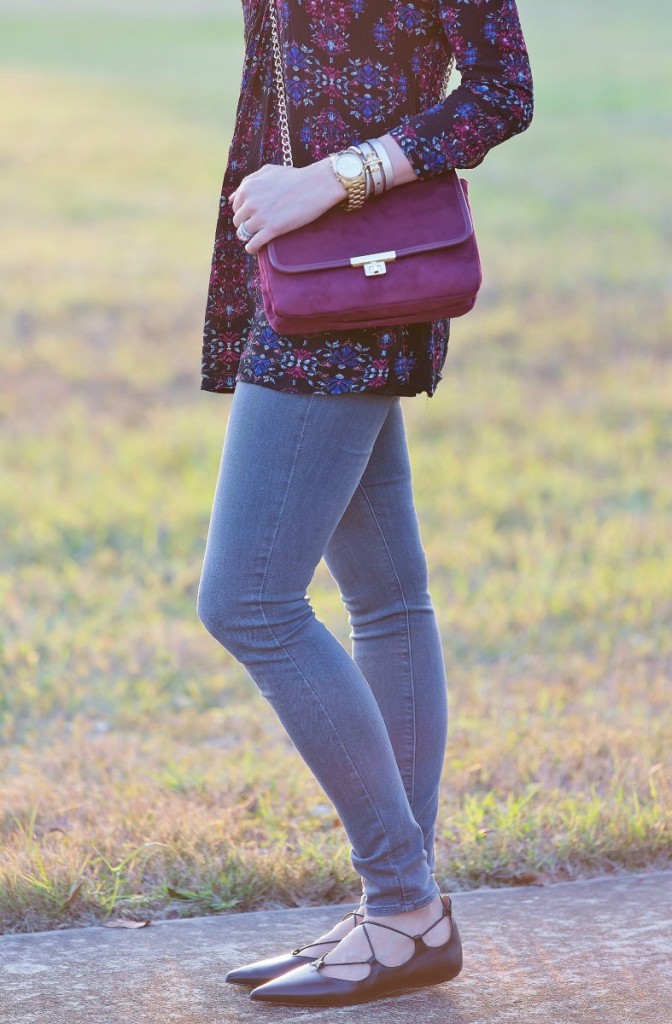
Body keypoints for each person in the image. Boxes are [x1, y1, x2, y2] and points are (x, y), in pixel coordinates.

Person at [197, 0, 533, 1007]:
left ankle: (402, 898)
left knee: (248, 601)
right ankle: (403, 915)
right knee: (387, 596)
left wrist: (331, 182)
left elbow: (502, 93)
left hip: (355, 261)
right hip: (301, 269)